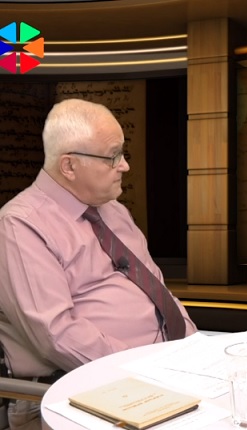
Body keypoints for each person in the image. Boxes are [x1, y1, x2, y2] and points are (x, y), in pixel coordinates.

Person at [0, 98, 197, 429]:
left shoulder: (115, 211)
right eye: (113, 156)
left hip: (166, 371)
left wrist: (194, 348)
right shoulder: (20, 226)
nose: (125, 166)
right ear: (69, 166)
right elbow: (57, 335)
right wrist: (145, 372)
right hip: (85, 389)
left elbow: (157, 289)